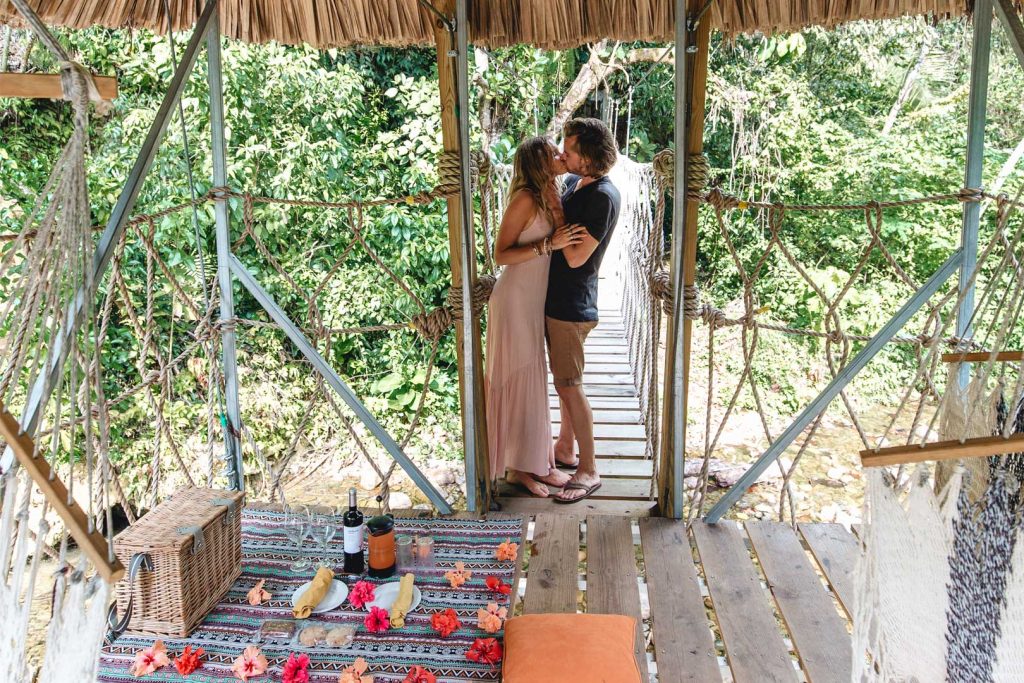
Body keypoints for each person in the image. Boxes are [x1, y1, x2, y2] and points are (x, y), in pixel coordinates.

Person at [486, 136, 588, 497]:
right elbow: (500, 254)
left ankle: (534, 463)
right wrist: (548, 245)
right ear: (538, 163)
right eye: (552, 153)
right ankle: (519, 469)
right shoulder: (525, 198)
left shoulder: (553, 192)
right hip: (514, 299)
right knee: (516, 377)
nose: (560, 155)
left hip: (534, 301)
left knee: (530, 380)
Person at [547, 118, 621, 504]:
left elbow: (576, 257)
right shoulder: (578, 183)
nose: (563, 154)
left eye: (570, 150)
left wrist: (557, 226)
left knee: (570, 385)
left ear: (589, 156)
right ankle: (564, 447)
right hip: (560, 300)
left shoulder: (602, 196)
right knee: (563, 381)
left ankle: (589, 468)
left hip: (572, 304)